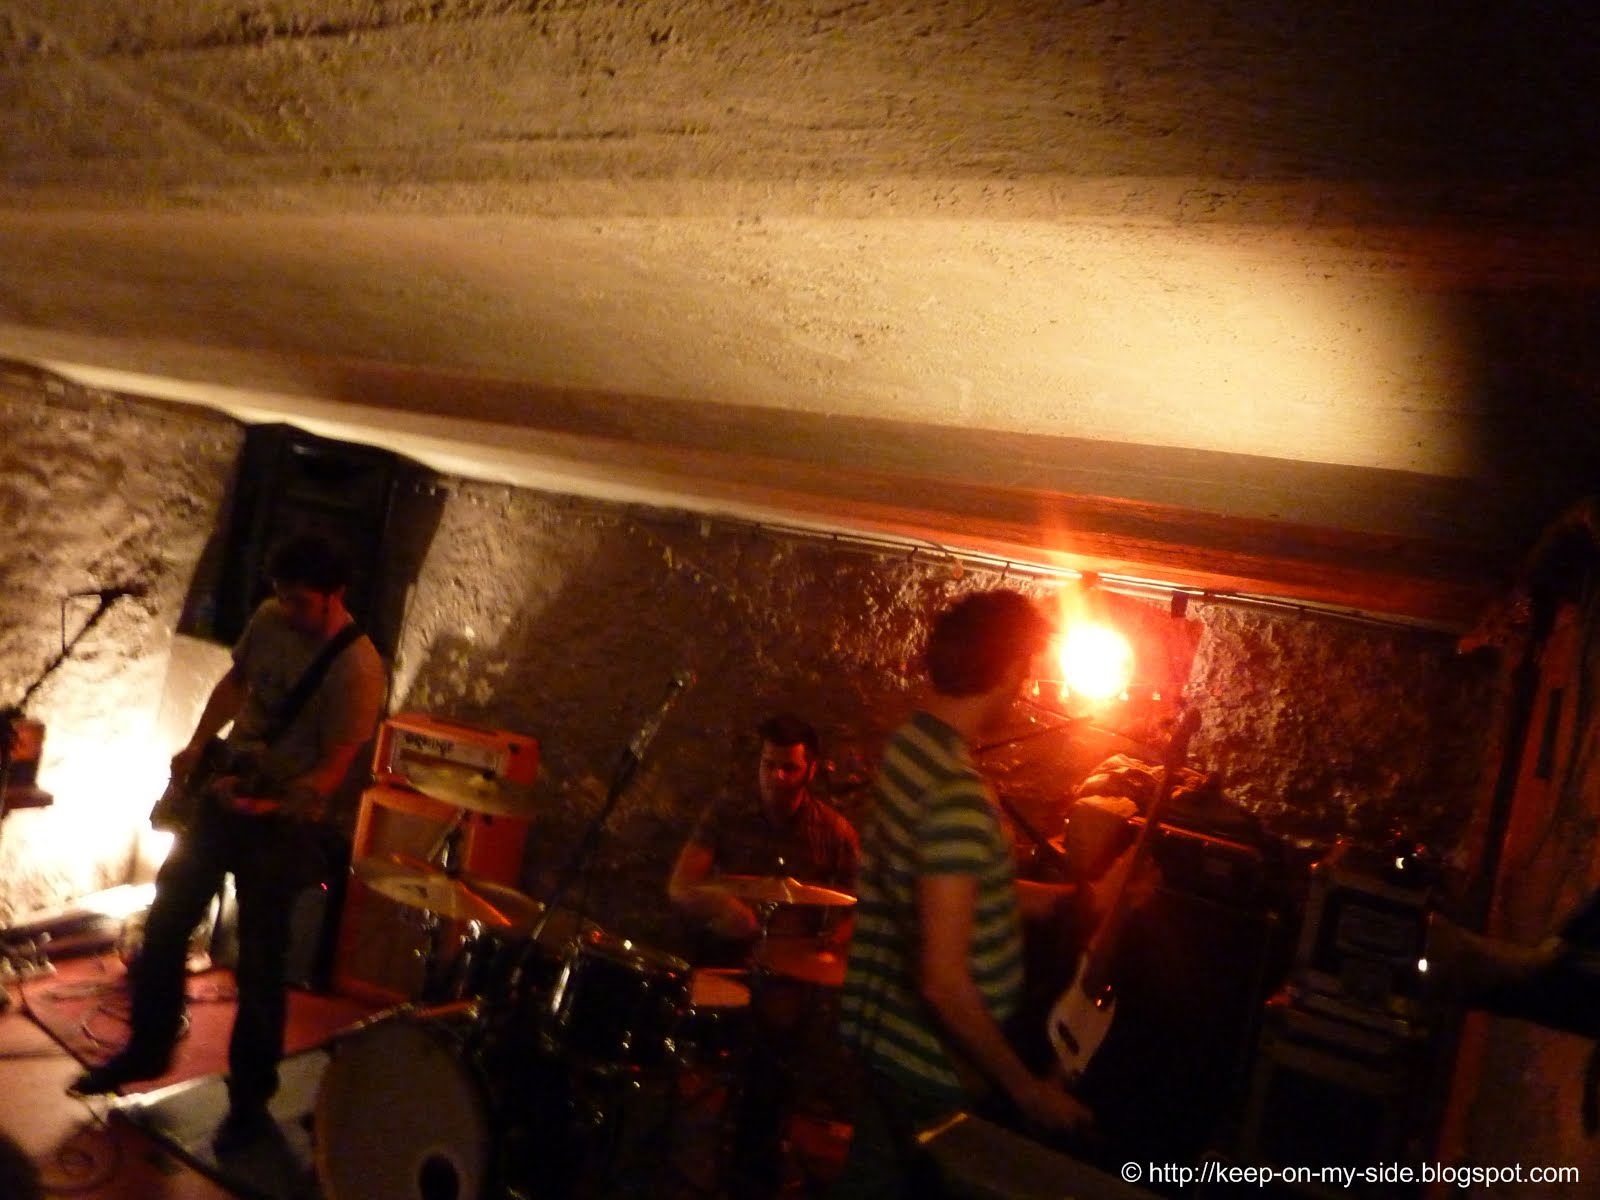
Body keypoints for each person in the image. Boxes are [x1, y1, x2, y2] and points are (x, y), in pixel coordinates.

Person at [69, 532, 386, 1152]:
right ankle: (145, 1050)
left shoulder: (357, 668)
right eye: (282, 597)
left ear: (335, 595)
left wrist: (276, 803)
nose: (288, 610)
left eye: (301, 602)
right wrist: (197, 744)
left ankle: (249, 1101)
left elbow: (334, 767)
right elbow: (237, 683)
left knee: (262, 964)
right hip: (225, 796)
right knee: (166, 922)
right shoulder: (269, 618)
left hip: (284, 821)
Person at [831, 589, 1095, 1200]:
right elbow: (943, 984)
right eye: (1025, 669)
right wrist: (1026, 1090)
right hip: (928, 1065)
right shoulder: (958, 798)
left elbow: (950, 888)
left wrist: (1067, 901)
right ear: (1010, 669)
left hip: (882, 1041)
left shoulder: (908, 748)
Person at [668, 712, 860, 1199]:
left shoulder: (833, 832)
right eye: (767, 765)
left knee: (774, 1064)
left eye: (788, 768)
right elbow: (681, 886)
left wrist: (829, 947)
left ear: (810, 769)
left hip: (788, 977)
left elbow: (858, 908)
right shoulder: (728, 811)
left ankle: (752, 1162)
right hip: (725, 958)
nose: (775, 776)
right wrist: (722, 907)